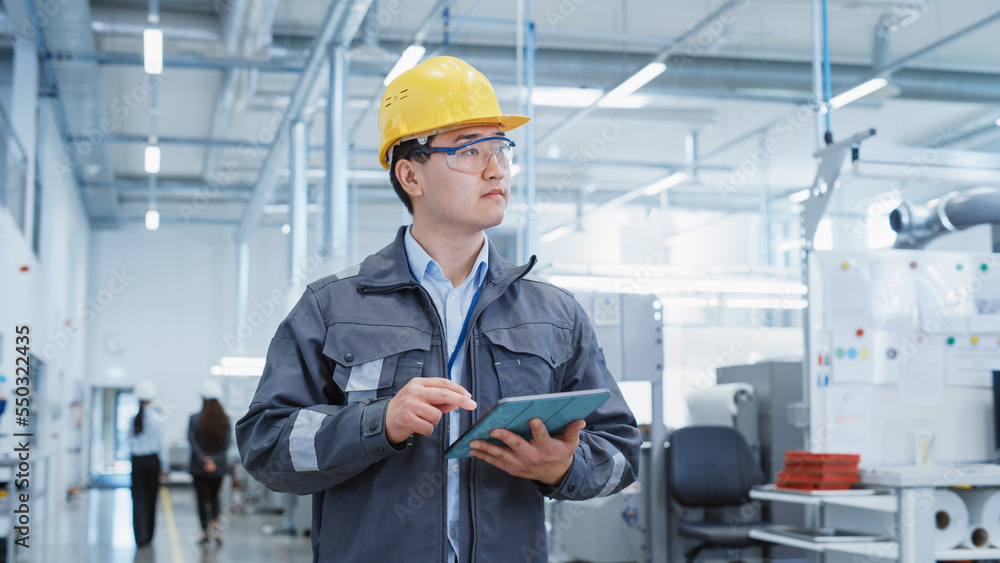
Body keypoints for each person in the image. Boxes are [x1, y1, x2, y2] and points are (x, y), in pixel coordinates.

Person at [236, 56, 640, 562]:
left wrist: (561, 466)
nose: (496, 169)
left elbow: (622, 451)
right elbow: (266, 445)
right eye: (470, 150)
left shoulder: (554, 314)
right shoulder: (332, 307)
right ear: (411, 175)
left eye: (501, 149)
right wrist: (378, 423)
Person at [188, 380, 230, 545]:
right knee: (215, 498)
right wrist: (215, 461)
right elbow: (226, 444)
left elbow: (192, 441)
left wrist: (204, 460)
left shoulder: (194, 419)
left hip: (199, 467)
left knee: (201, 499)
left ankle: (205, 533)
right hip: (218, 468)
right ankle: (216, 529)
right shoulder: (226, 419)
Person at [127, 380, 168, 548]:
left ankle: (139, 536)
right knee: (151, 499)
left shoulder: (132, 419)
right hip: (152, 462)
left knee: (137, 499)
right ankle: (149, 536)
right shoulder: (157, 418)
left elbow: (128, 442)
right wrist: (165, 467)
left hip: (137, 462)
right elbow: (162, 444)